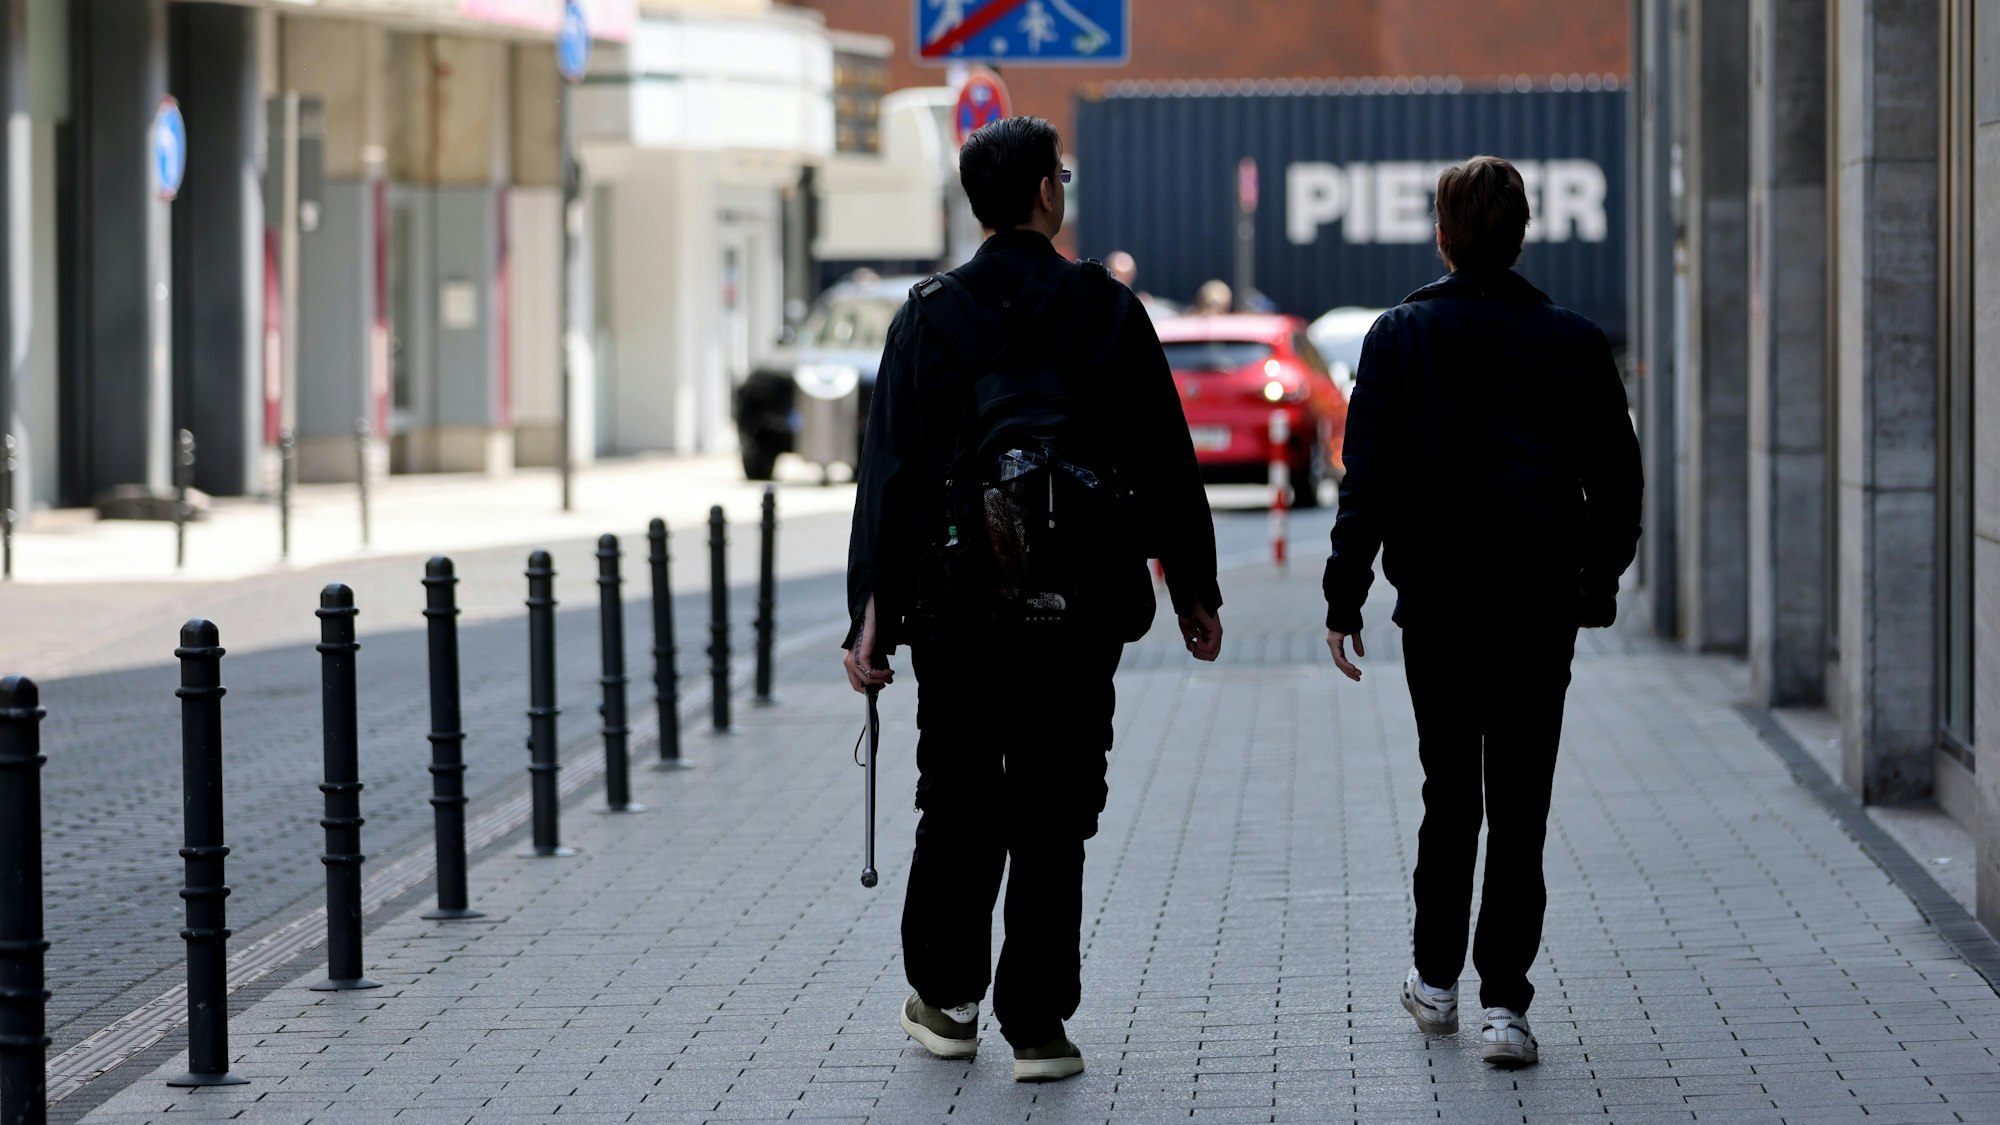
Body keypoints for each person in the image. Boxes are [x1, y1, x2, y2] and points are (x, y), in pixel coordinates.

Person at [843, 116, 1225, 1082]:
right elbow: (1164, 459)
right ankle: (1040, 1024)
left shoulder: (928, 316)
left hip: (960, 608)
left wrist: (871, 611)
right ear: (1047, 197)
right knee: (1057, 803)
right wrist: (1194, 590)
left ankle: (946, 997)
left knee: (960, 792)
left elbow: (890, 473)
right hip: (1081, 606)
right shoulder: (1105, 308)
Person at [1319, 155, 1642, 1068]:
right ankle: (1508, 1003)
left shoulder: (1399, 337)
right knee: (1523, 803)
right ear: (1522, 233)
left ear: (1444, 236)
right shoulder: (1573, 342)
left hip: (1441, 609)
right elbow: (1618, 481)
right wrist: (1598, 579)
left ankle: (1435, 982)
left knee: (1449, 793)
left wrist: (1345, 596)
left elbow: (1367, 479)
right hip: (1539, 609)